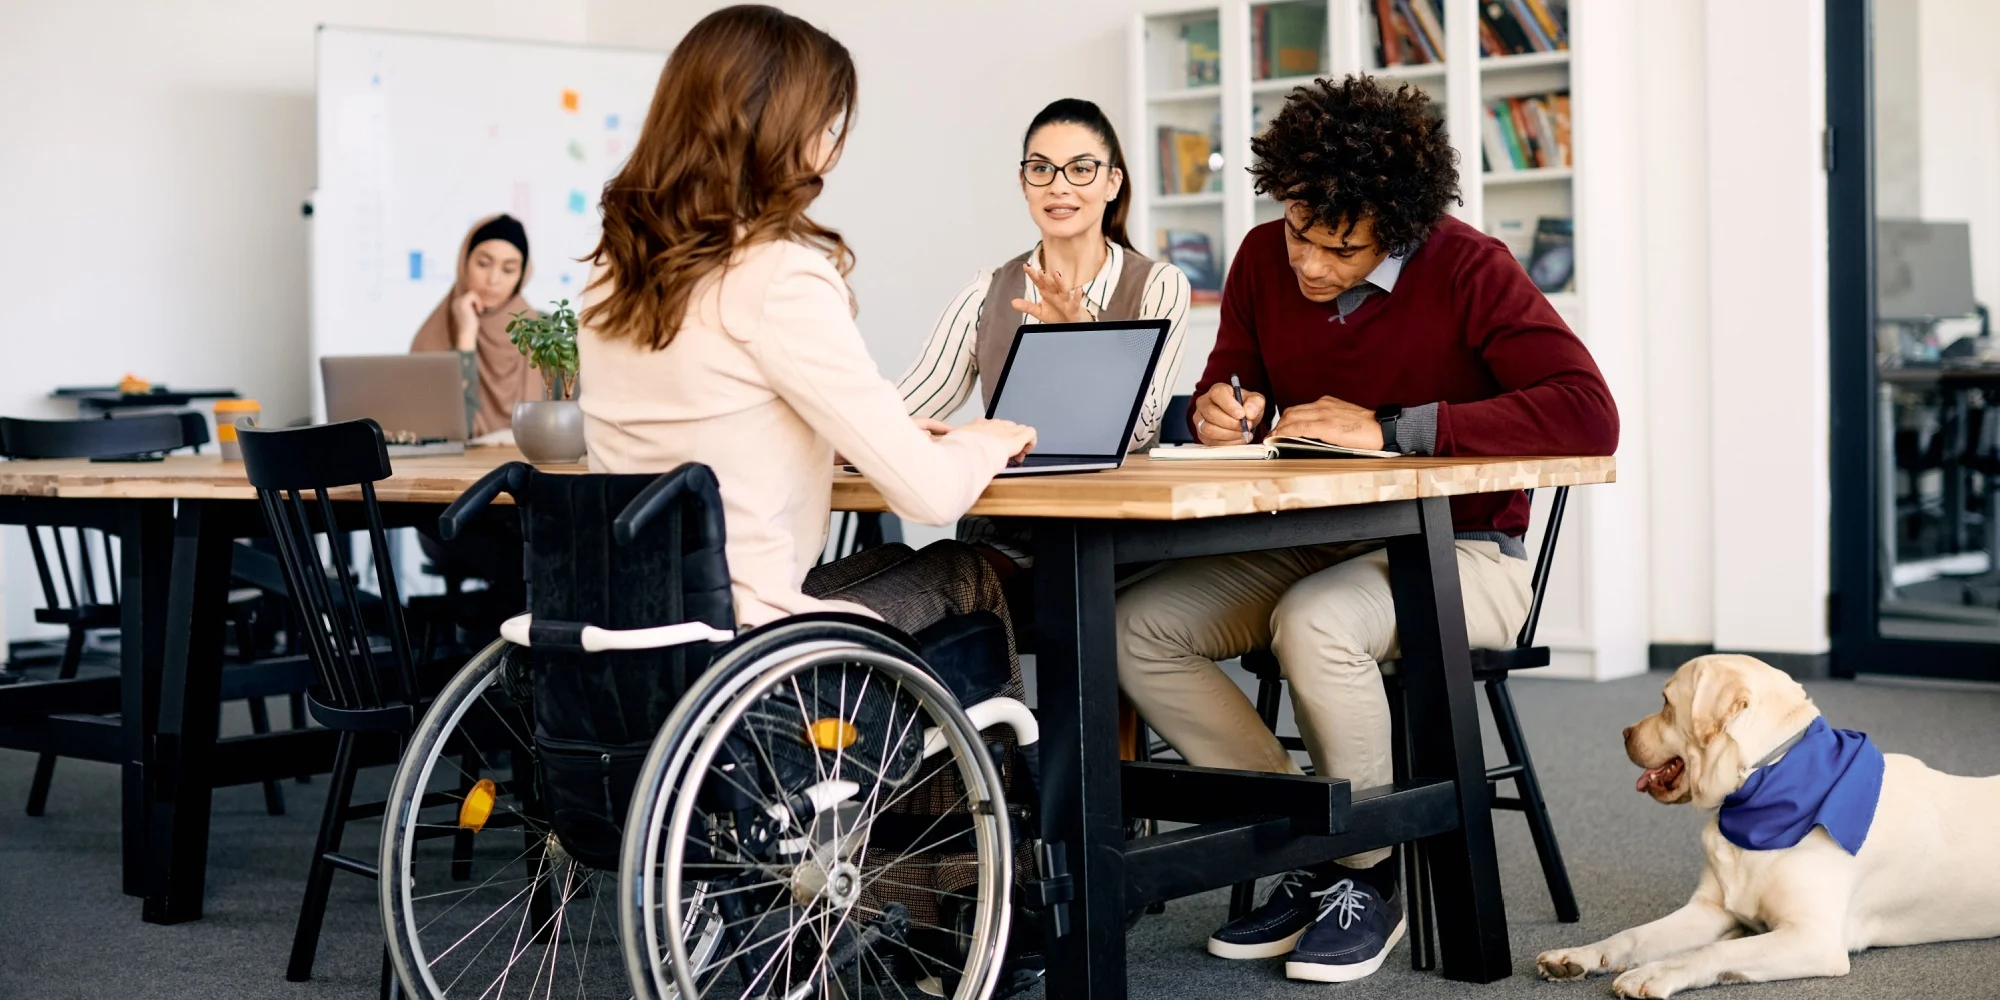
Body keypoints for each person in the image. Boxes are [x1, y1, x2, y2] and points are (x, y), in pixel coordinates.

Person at [1116, 76, 1619, 984]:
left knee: (1317, 619)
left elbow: (1588, 413)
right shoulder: (1264, 259)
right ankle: (1304, 844)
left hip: (1469, 556)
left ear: (1398, 225)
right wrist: (1218, 411)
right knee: (1133, 626)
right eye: (1299, 229)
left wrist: (1394, 429)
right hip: (1317, 539)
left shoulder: (1470, 267)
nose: (1307, 261)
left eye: (1338, 247)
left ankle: (1367, 872)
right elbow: (1227, 384)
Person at [577, 5, 1034, 645]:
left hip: (636, 627)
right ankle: (981, 750)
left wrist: (845, 440)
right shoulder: (777, 276)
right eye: (827, 126)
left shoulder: (612, 276)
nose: (830, 149)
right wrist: (983, 439)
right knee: (963, 570)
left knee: (897, 564)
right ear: (782, 131)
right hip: (747, 638)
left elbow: (702, 421)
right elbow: (930, 496)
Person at [410, 213, 543, 437]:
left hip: (527, 462)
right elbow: (445, 426)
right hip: (456, 464)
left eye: (508, 269)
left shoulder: (538, 333)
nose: (493, 280)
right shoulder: (434, 333)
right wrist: (466, 338)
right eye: (483, 264)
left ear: (521, 276)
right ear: (465, 263)